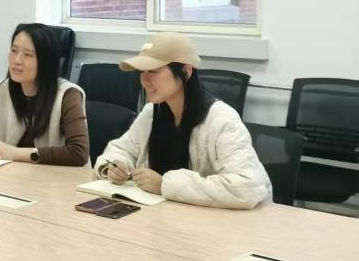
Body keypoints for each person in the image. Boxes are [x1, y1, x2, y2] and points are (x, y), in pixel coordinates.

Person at [93, 32, 272, 209]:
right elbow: (121, 149)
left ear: (185, 73)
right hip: (166, 214)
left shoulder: (223, 120)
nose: (145, 81)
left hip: (225, 222)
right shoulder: (151, 113)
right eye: (142, 72)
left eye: (153, 71)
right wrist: (113, 167)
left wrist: (164, 185)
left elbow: (245, 187)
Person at [0, 23, 89, 167]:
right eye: (14, 51)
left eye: (27, 54)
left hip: (56, 178)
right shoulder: (4, 90)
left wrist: (16, 154)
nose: (17, 60)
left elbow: (78, 153)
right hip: (11, 175)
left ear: (45, 62)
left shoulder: (67, 95)